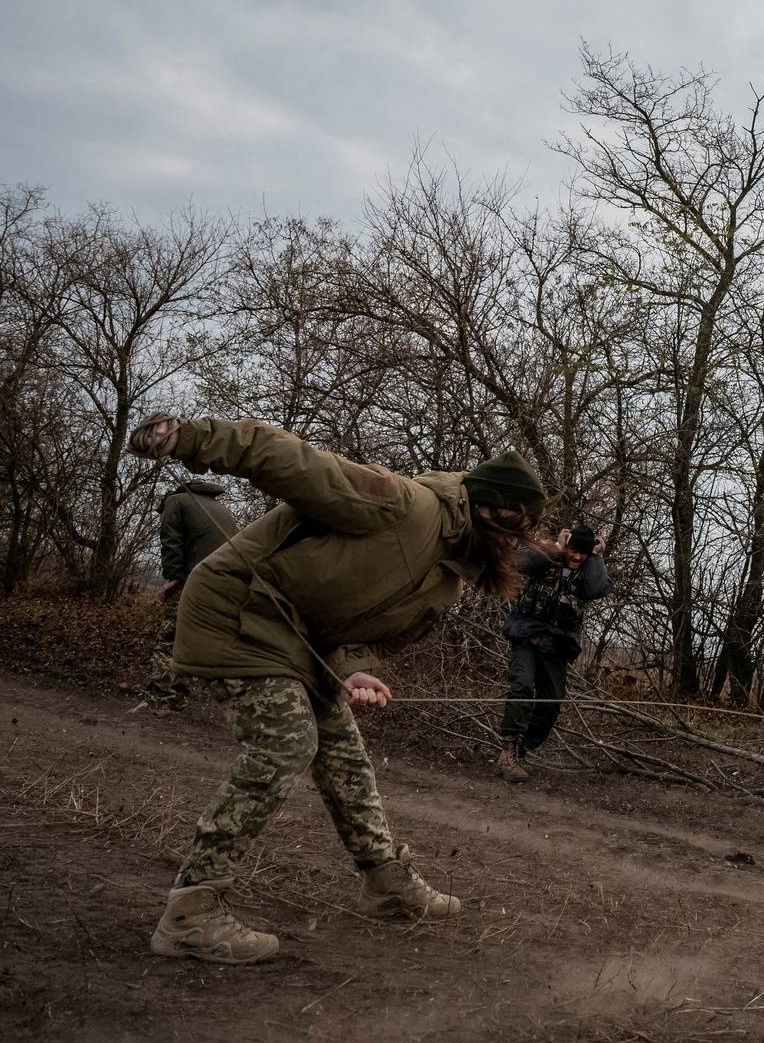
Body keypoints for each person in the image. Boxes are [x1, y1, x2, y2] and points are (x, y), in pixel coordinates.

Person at [124, 413, 546, 965]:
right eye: (517, 530)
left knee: (344, 754)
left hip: (301, 638)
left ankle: (385, 882)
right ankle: (190, 913)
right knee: (286, 743)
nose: (517, 546)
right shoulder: (403, 503)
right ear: (496, 511)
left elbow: (360, 628)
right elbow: (293, 461)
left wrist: (355, 666)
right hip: (239, 607)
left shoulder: (446, 577)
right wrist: (193, 438)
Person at [496, 525, 611, 782]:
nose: (577, 557)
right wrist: (555, 548)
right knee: (521, 687)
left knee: (551, 702)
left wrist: (597, 556)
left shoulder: (587, 574)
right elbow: (518, 563)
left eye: (583, 553)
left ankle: (521, 751)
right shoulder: (547, 561)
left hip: (556, 648)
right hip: (527, 638)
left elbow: (597, 589)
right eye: (574, 550)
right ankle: (507, 753)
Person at [134, 477, 238, 713]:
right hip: (226, 585)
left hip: (196, 581)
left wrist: (172, 579)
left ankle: (160, 700)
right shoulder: (218, 507)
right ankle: (178, 696)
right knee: (192, 641)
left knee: (169, 639)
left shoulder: (175, 502)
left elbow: (171, 543)